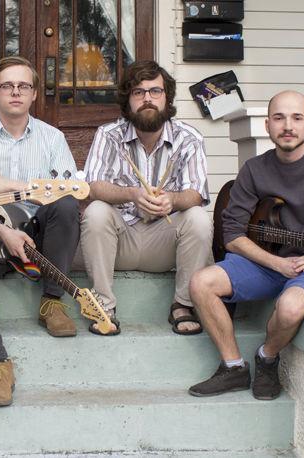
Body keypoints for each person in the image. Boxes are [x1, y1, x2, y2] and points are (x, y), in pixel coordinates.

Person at [188, 90, 304, 400]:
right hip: (267, 264)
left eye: (296, 118)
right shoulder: (254, 169)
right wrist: (276, 263)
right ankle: (233, 367)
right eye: (279, 118)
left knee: (290, 307)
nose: (287, 125)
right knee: (201, 282)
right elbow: (233, 233)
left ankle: (267, 358)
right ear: (267, 125)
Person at [0, 56, 80, 407]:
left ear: (35, 93)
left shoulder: (52, 138)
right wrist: (3, 233)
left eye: (23, 86)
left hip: (41, 237)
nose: (15, 92)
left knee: (65, 206)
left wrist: (8, 184)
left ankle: (52, 302)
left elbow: (70, 191)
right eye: (7, 86)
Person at [80, 60, 213, 336]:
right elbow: (93, 187)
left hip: (164, 243)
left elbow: (196, 193)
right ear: (128, 100)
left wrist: (172, 201)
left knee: (198, 217)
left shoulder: (189, 138)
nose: (148, 99)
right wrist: (131, 194)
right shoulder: (109, 135)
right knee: (96, 211)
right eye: (139, 93)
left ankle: (182, 305)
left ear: (167, 98)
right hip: (121, 240)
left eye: (155, 91)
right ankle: (104, 305)